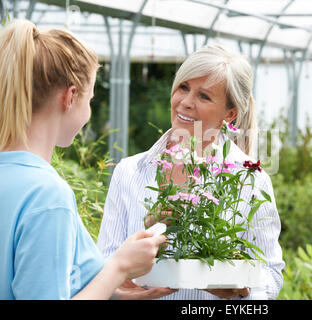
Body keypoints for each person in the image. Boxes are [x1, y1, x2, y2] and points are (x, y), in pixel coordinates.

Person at [97, 44, 285, 300]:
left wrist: (243, 286)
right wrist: (119, 284)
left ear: (229, 114)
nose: (185, 103)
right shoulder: (130, 171)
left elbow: (271, 273)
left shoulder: (250, 180)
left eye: (204, 96)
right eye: (183, 87)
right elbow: (105, 259)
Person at [0, 19, 171, 300]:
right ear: (70, 97)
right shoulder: (47, 196)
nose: (88, 111)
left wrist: (111, 291)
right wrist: (119, 267)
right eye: (90, 100)